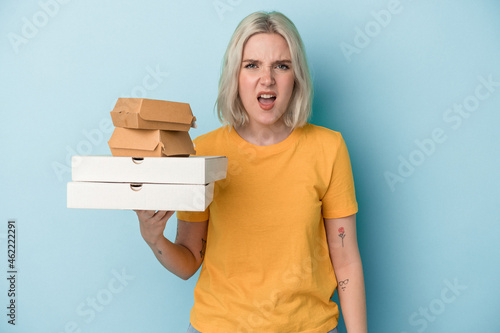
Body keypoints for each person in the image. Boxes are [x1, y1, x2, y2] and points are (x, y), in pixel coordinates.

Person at [135, 11, 367, 333]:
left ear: (296, 77)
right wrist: (152, 237)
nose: (267, 78)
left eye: (281, 66)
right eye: (252, 65)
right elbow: (188, 261)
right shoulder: (202, 152)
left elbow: (346, 263)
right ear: (235, 76)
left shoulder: (328, 149)